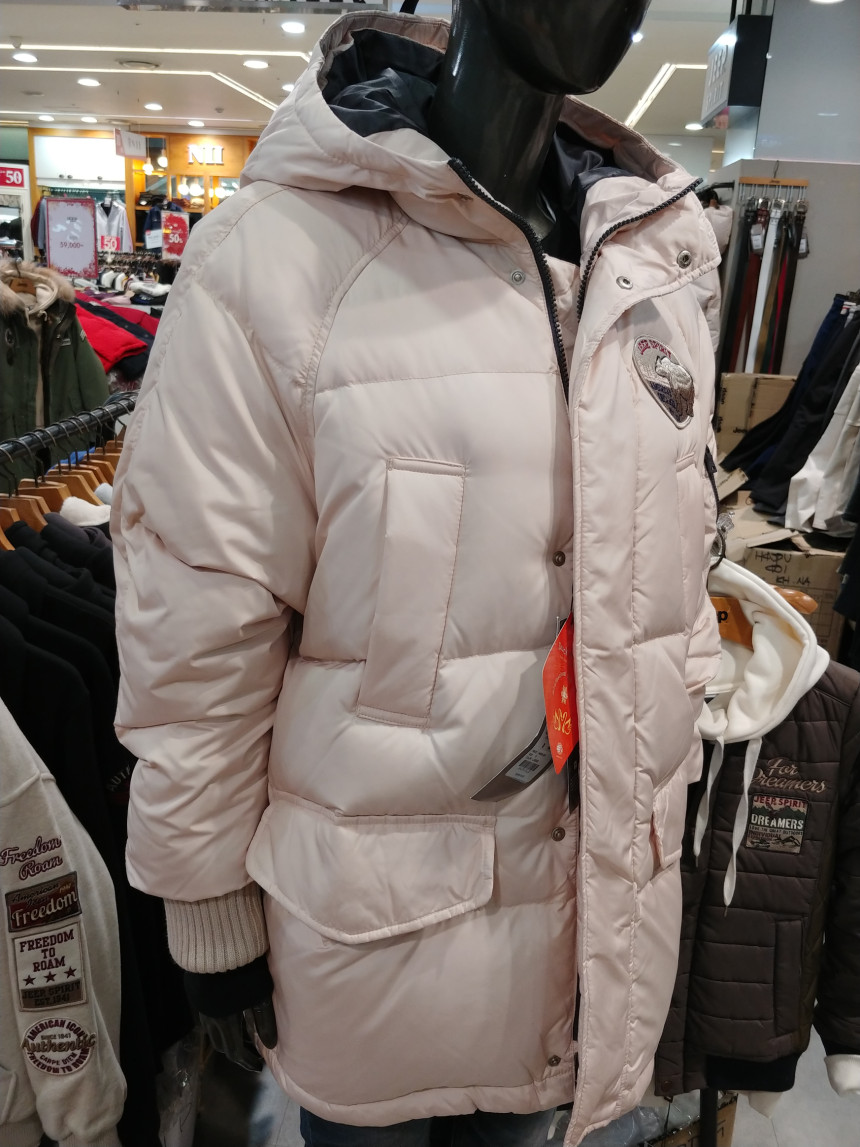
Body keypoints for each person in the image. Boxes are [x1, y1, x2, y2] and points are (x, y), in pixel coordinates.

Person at [112, 2, 722, 1144]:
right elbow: (197, 614)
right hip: (372, 932)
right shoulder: (278, 256)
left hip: (580, 931)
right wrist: (204, 900)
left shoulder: (657, 263)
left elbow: (675, 591)